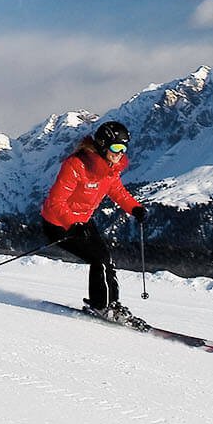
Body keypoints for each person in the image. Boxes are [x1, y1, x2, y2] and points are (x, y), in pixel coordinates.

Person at [40, 120, 147, 325]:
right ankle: (102, 306)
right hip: (58, 224)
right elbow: (55, 202)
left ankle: (111, 304)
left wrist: (135, 208)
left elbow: (116, 191)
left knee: (107, 259)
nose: (119, 154)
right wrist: (72, 224)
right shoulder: (76, 165)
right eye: (116, 147)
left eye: (124, 149)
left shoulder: (109, 168)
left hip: (83, 222)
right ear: (103, 144)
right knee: (98, 259)